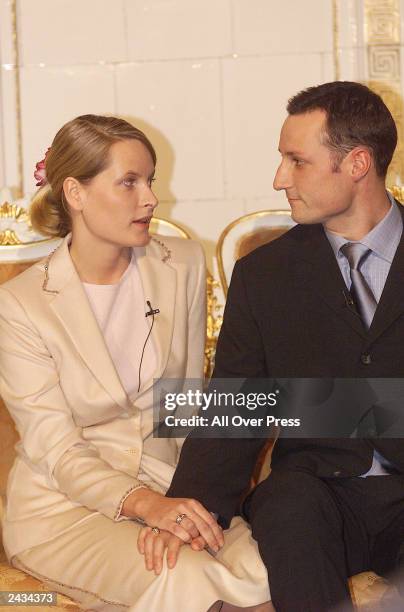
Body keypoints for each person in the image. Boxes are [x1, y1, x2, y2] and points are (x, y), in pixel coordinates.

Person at [0, 115, 272, 612]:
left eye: (150, 180)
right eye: (129, 182)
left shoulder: (181, 264)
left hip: (169, 488)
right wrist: (145, 507)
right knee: (189, 578)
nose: (149, 198)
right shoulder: (19, 305)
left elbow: (186, 405)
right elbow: (54, 448)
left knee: (264, 567)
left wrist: (195, 502)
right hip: (62, 512)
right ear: (75, 194)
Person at [167, 81, 404, 611]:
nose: (279, 179)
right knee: (286, 501)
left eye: (297, 161)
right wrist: (188, 511)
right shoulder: (265, 275)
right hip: (318, 495)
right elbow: (236, 404)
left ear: (358, 163)